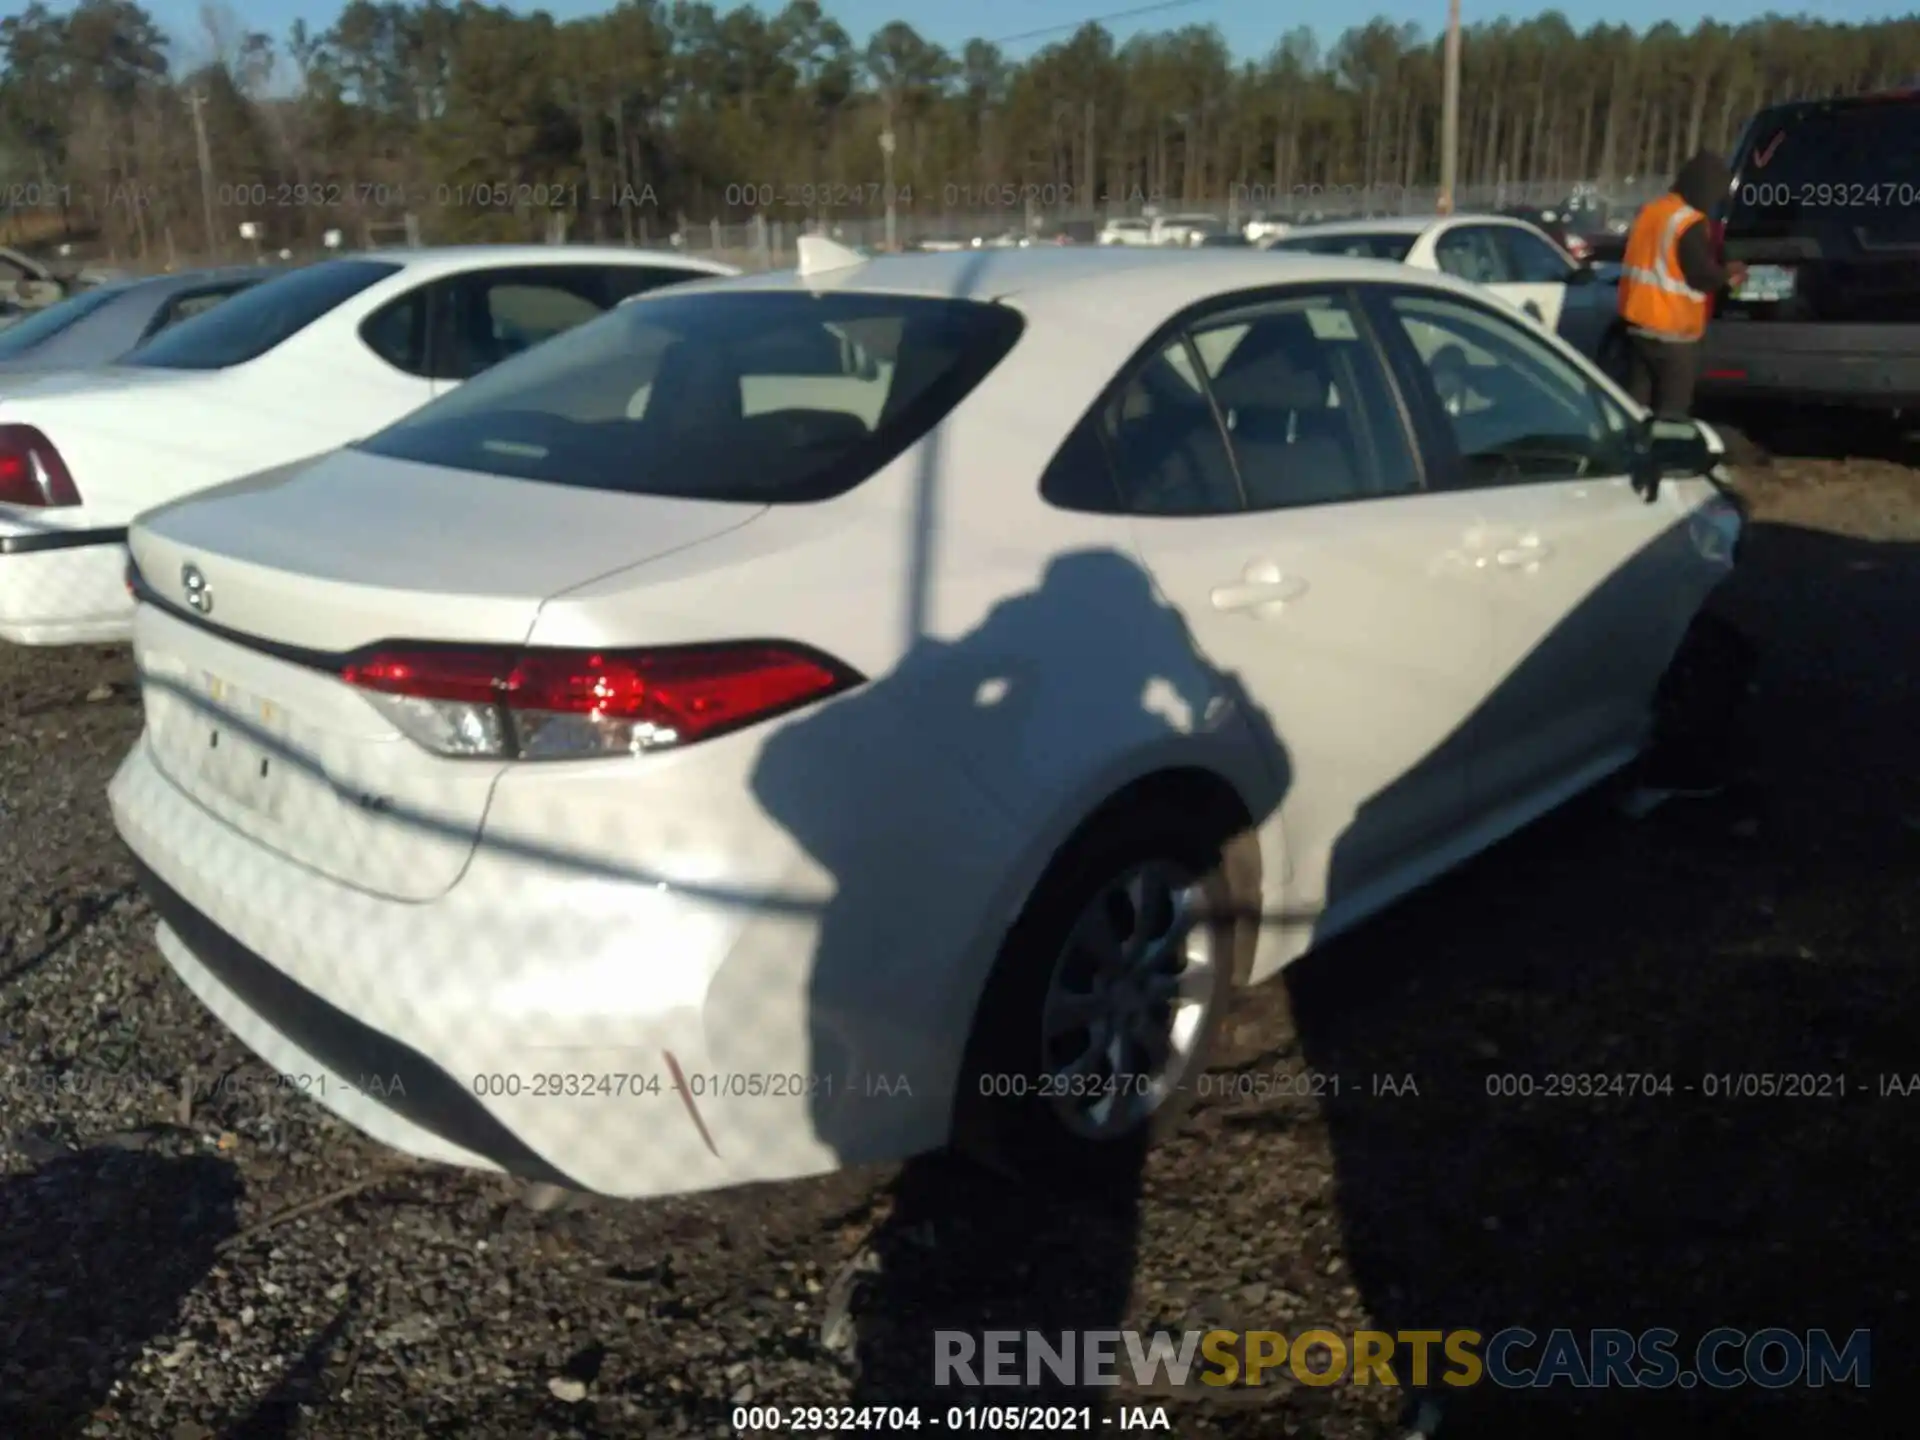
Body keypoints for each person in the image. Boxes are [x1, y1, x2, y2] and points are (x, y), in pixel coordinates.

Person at [1617, 151, 1749, 418]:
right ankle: (1668, 457)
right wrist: (1728, 274)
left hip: (1636, 325)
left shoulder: (1652, 212)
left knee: (1635, 409)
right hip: (1672, 333)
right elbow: (1699, 275)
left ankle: (1632, 454)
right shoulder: (1688, 221)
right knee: (1672, 411)